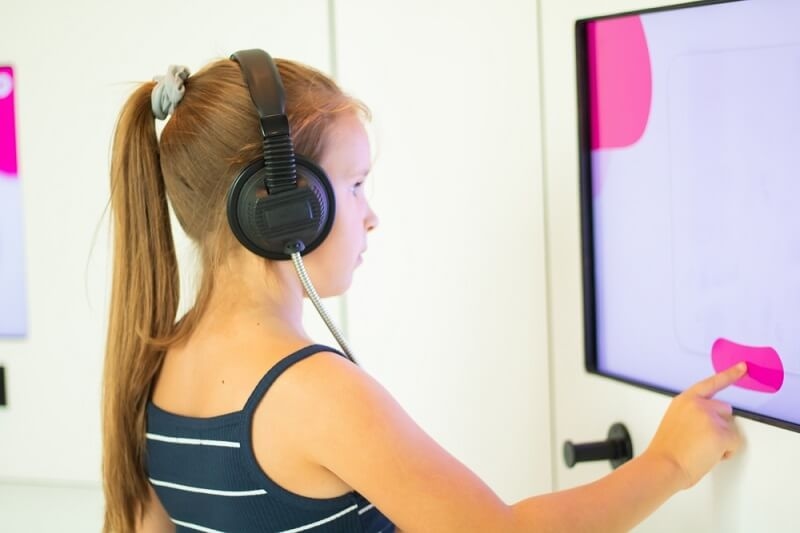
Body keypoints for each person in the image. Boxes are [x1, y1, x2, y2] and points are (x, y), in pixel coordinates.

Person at [101, 49, 746, 533]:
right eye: (354, 186)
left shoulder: (156, 364)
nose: (370, 215)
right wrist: (668, 463)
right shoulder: (312, 393)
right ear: (286, 208)